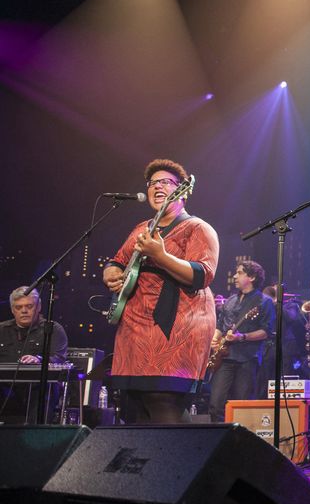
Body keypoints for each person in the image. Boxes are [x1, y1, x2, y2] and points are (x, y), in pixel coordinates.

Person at [103, 159, 219, 424]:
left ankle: (184, 463)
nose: (157, 187)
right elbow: (116, 261)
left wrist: (161, 256)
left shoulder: (198, 228)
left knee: (164, 399)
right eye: (153, 183)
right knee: (137, 406)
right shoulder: (141, 229)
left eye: (165, 182)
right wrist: (110, 273)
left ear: (183, 191)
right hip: (134, 328)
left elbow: (203, 274)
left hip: (175, 323)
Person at [209, 260, 275, 422]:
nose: (235, 276)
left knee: (242, 404)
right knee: (215, 404)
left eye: (240, 273)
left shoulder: (263, 302)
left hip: (247, 359)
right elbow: (220, 324)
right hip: (224, 357)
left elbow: (266, 332)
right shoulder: (230, 300)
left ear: (251, 277)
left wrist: (242, 337)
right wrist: (215, 338)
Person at [0, 286, 69, 364]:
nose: (24, 311)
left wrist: (39, 360)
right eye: (18, 307)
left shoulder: (53, 329)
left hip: (38, 376)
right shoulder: (2, 330)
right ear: (12, 310)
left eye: (29, 306)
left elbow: (59, 359)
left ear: (39, 307)